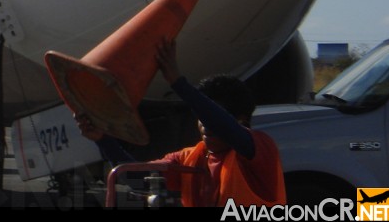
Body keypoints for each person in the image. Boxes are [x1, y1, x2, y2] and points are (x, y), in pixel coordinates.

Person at [75, 38, 286, 208]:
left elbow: (223, 125)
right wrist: (103, 139)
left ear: (242, 120)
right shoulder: (188, 158)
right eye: (200, 119)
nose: (204, 125)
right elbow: (136, 178)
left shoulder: (259, 148)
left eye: (210, 117)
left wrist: (178, 83)